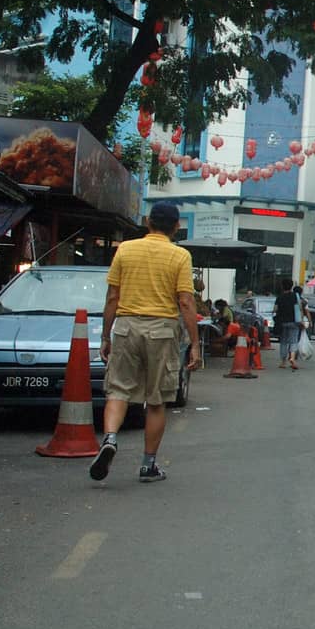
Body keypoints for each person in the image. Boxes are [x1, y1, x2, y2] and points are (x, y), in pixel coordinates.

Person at [91, 202, 201, 484]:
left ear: (148, 222)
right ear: (177, 227)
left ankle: (111, 439)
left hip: (126, 327)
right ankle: (147, 465)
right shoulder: (180, 256)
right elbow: (186, 301)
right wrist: (196, 344)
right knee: (156, 400)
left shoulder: (125, 249)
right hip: (162, 331)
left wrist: (106, 336)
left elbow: (112, 297)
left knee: (118, 390)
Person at [273, 278, 302, 370]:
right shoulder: (295, 296)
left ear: (282, 286)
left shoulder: (279, 297)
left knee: (283, 342)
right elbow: (300, 308)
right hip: (294, 322)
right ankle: (292, 358)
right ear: (291, 286)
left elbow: (275, 309)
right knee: (293, 341)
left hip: (282, 323)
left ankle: (283, 362)